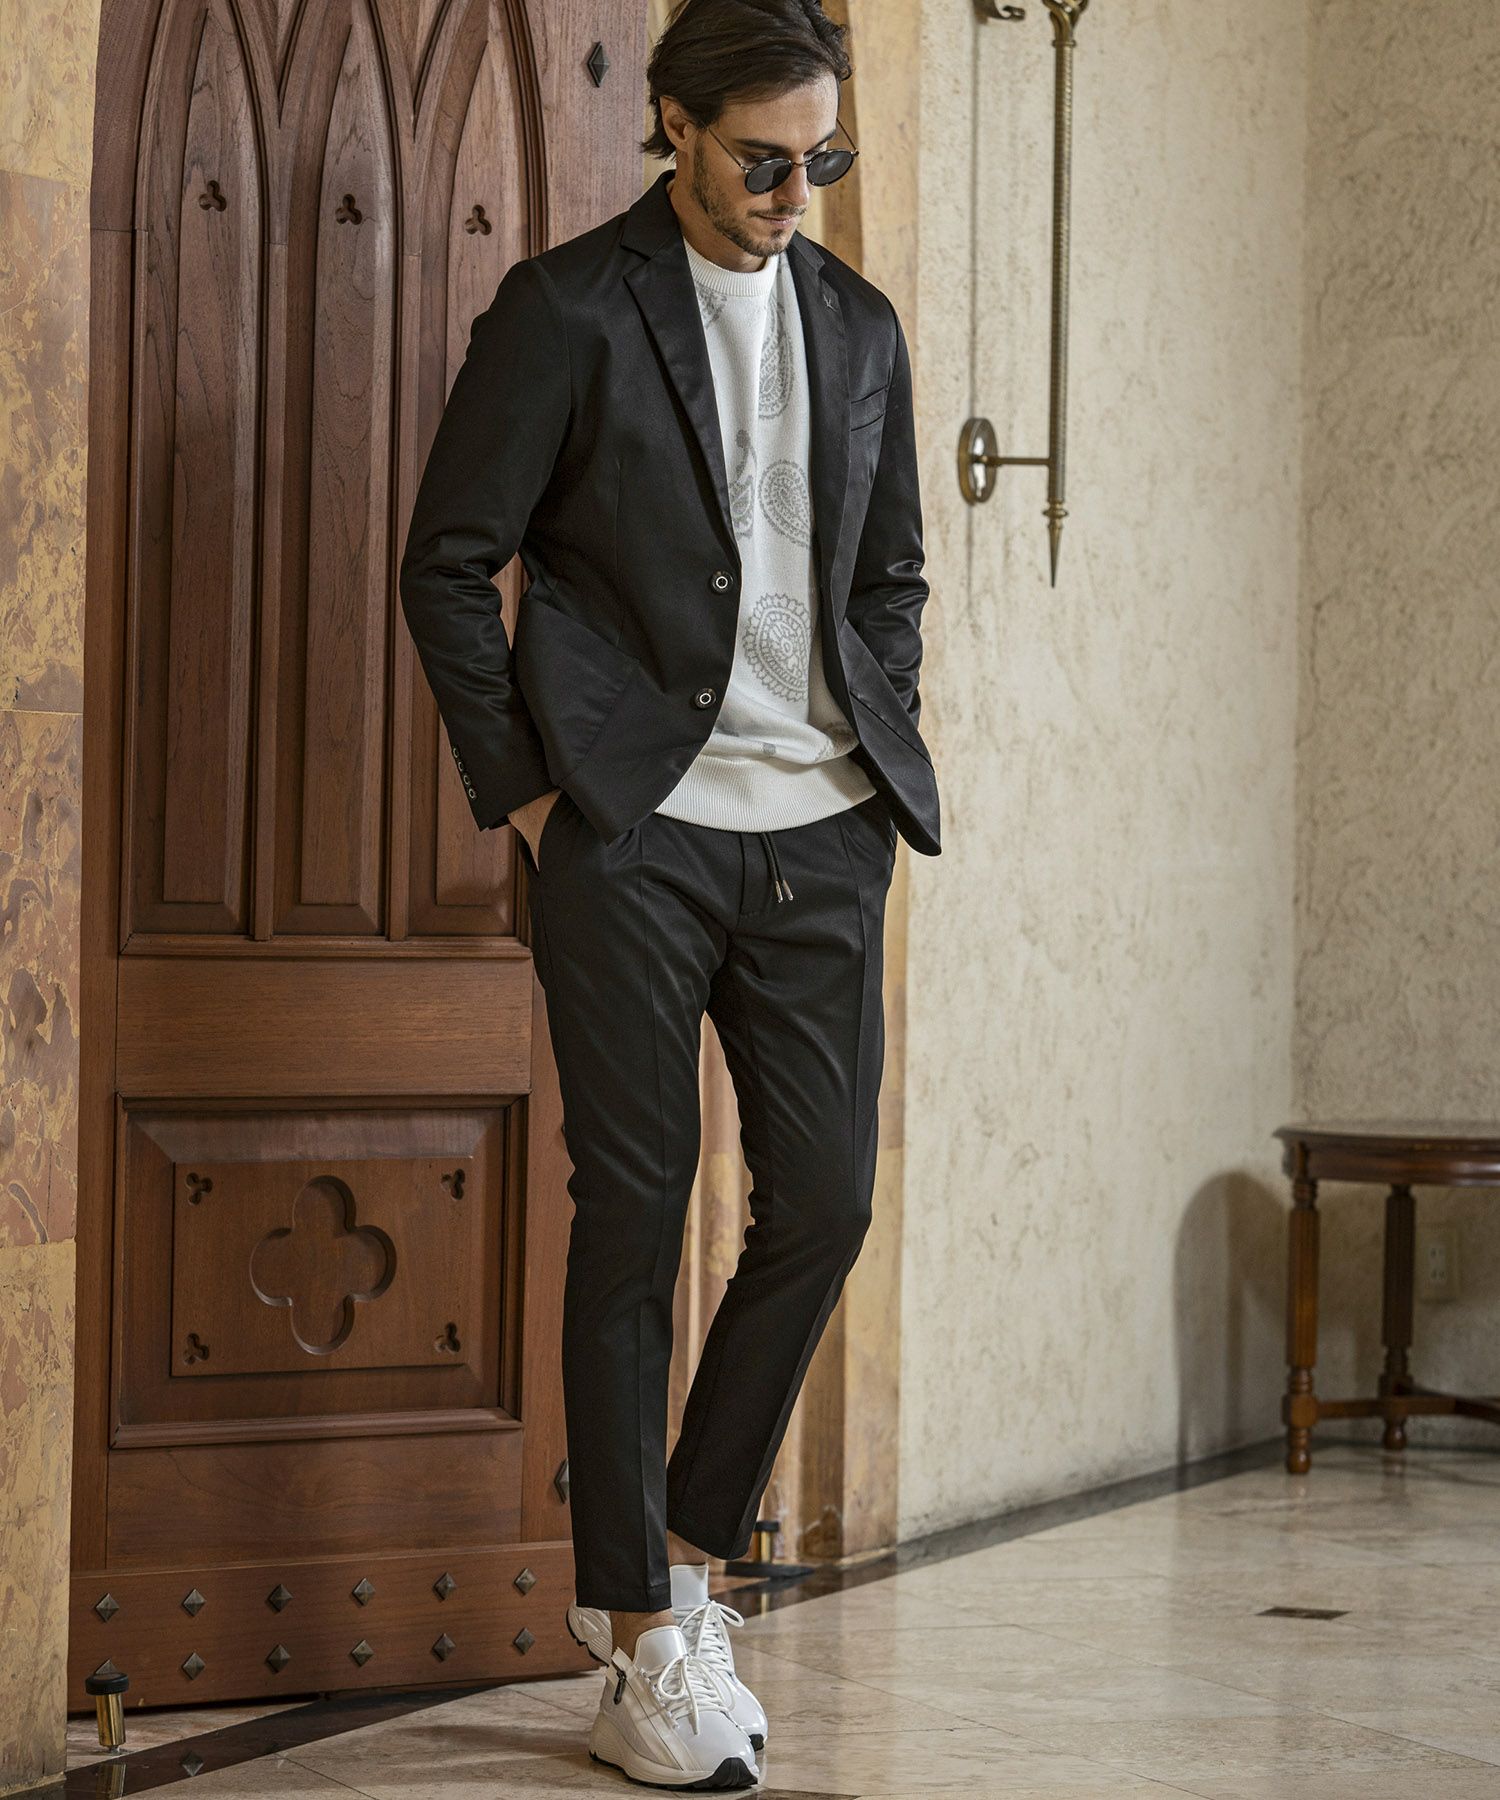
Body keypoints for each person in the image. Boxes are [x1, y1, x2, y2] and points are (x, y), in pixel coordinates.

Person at [399, 0, 940, 1786]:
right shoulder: (566, 310)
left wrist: (868, 738)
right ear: (677, 128)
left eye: (822, 159)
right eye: (763, 160)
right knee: (635, 1207)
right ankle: (637, 1631)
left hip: (824, 829)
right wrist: (533, 799)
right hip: (635, 832)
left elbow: (888, 578)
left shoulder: (859, 326)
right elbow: (447, 561)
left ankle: (686, 1562)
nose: (794, 194)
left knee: (827, 1202)